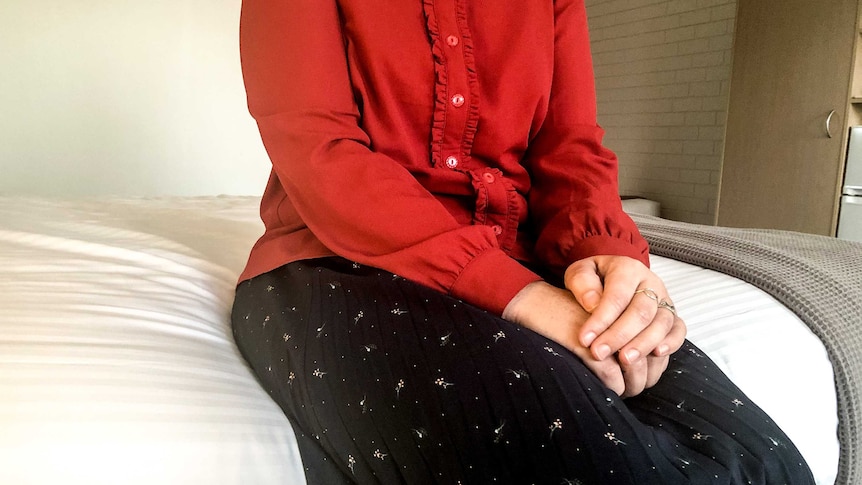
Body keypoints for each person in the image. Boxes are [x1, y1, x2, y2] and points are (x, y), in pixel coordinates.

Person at [230, 1, 814, 483]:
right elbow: (319, 151)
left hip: (525, 260)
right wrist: (528, 300)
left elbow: (569, 145)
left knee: (766, 463)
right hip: (339, 261)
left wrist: (608, 255)